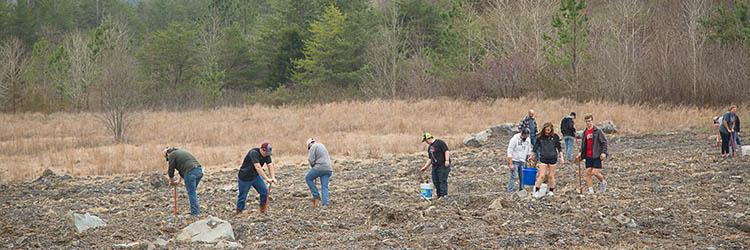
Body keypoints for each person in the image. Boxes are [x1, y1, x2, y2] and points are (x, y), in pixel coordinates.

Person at [236, 143, 277, 215]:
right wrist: (266, 178)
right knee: (243, 196)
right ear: (263, 150)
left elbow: (270, 165)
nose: (267, 154)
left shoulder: (267, 155)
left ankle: (262, 208)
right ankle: (239, 211)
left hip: (255, 177)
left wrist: (273, 177)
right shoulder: (254, 153)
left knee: (264, 191)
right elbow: (258, 167)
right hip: (244, 178)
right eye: (266, 152)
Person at [164, 147, 204, 216]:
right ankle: (196, 210)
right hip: (199, 171)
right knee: (192, 192)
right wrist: (179, 181)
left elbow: (171, 170)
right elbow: (183, 169)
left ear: (168, 153)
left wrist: (172, 181)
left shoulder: (172, 155)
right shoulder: (181, 152)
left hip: (191, 172)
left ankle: (195, 213)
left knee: (191, 193)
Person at [576, 114, 608, 194]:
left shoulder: (598, 131)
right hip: (588, 155)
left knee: (595, 172)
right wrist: (580, 153)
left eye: (589, 121)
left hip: (597, 154)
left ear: (592, 121)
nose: (588, 123)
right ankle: (591, 190)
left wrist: (604, 153)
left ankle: (603, 182)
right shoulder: (585, 132)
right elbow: (584, 144)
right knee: (588, 172)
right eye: (586, 121)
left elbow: (604, 142)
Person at [530, 123, 563, 198]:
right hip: (543, 158)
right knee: (541, 175)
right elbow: (535, 147)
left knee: (551, 175)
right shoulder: (540, 137)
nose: (547, 131)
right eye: (546, 130)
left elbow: (559, 147)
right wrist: (532, 155)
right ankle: (537, 191)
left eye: (549, 130)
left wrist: (561, 157)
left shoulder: (555, 137)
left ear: (551, 129)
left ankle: (551, 191)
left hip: (553, 158)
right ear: (544, 129)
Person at [420, 132, 450, 199]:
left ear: (429, 138)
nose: (426, 142)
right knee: (435, 181)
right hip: (435, 166)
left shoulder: (440, 142)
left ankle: (444, 195)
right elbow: (430, 158)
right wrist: (425, 167)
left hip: (443, 165)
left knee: (442, 180)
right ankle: (439, 195)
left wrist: (447, 160)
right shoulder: (430, 147)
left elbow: (446, 151)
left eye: (426, 141)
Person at [305, 138, 333, 208]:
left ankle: (316, 195)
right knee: (324, 187)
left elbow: (310, 159)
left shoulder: (313, 147)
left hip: (320, 167)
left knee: (308, 178)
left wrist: (313, 167)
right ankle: (325, 204)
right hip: (329, 168)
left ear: (309, 145)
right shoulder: (321, 145)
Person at [506, 128, 532, 193]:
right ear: (521, 134)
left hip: (522, 161)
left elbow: (529, 150)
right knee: (514, 176)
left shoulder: (528, 140)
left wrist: (529, 158)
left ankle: (522, 190)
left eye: (527, 136)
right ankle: (510, 191)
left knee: (522, 177)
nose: (525, 138)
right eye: (524, 136)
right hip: (515, 160)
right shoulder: (514, 139)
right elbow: (509, 151)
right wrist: (510, 163)